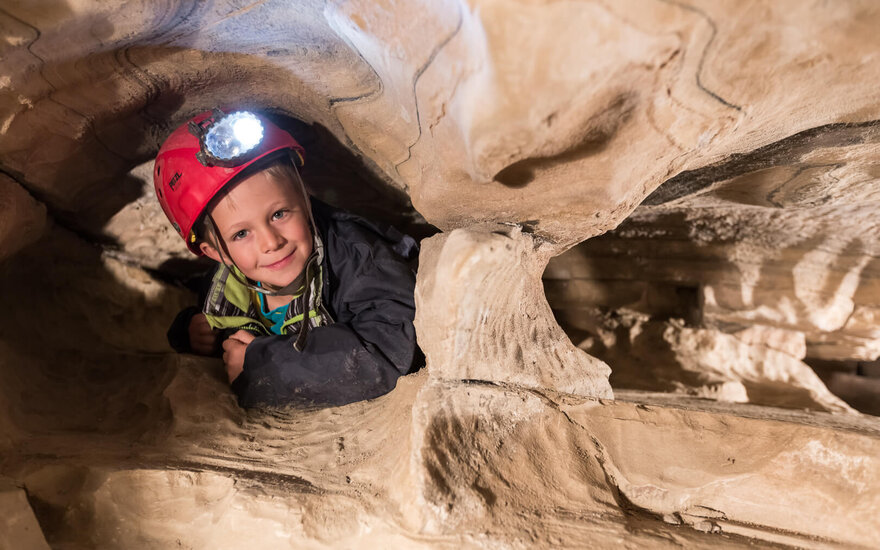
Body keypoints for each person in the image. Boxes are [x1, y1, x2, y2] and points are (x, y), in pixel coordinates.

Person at [154, 109, 421, 408]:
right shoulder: (228, 284)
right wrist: (192, 332)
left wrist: (263, 365)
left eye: (279, 214)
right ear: (216, 254)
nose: (272, 242)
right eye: (241, 234)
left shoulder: (359, 259)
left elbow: (387, 348)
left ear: (304, 199)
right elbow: (206, 305)